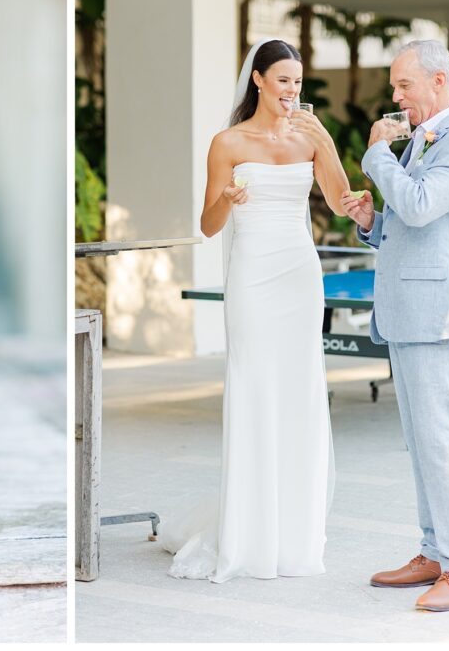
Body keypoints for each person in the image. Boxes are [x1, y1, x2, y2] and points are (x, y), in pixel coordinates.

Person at [162, 38, 349, 581]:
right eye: (284, 80)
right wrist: (228, 200)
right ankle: (247, 531)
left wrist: (333, 153)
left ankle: (293, 530)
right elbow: (208, 224)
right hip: (251, 275)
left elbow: (339, 202)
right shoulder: (227, 142)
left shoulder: (311, 136)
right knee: (253, 387)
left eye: (298, 82)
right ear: (259, 80)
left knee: (299, 390)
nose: (293, 90)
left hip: (298, 273)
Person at [340, 40, 449, 612]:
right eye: (395, 87)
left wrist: (377, 154)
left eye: (404, 86)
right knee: (420, 442)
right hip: (406, 312)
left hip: (439, 316)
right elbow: (409, 222)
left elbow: (424, 204)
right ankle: (434, 552)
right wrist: (370, 221)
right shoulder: (423, 141)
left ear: (438, 81)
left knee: (438, 441)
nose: (396, 98)